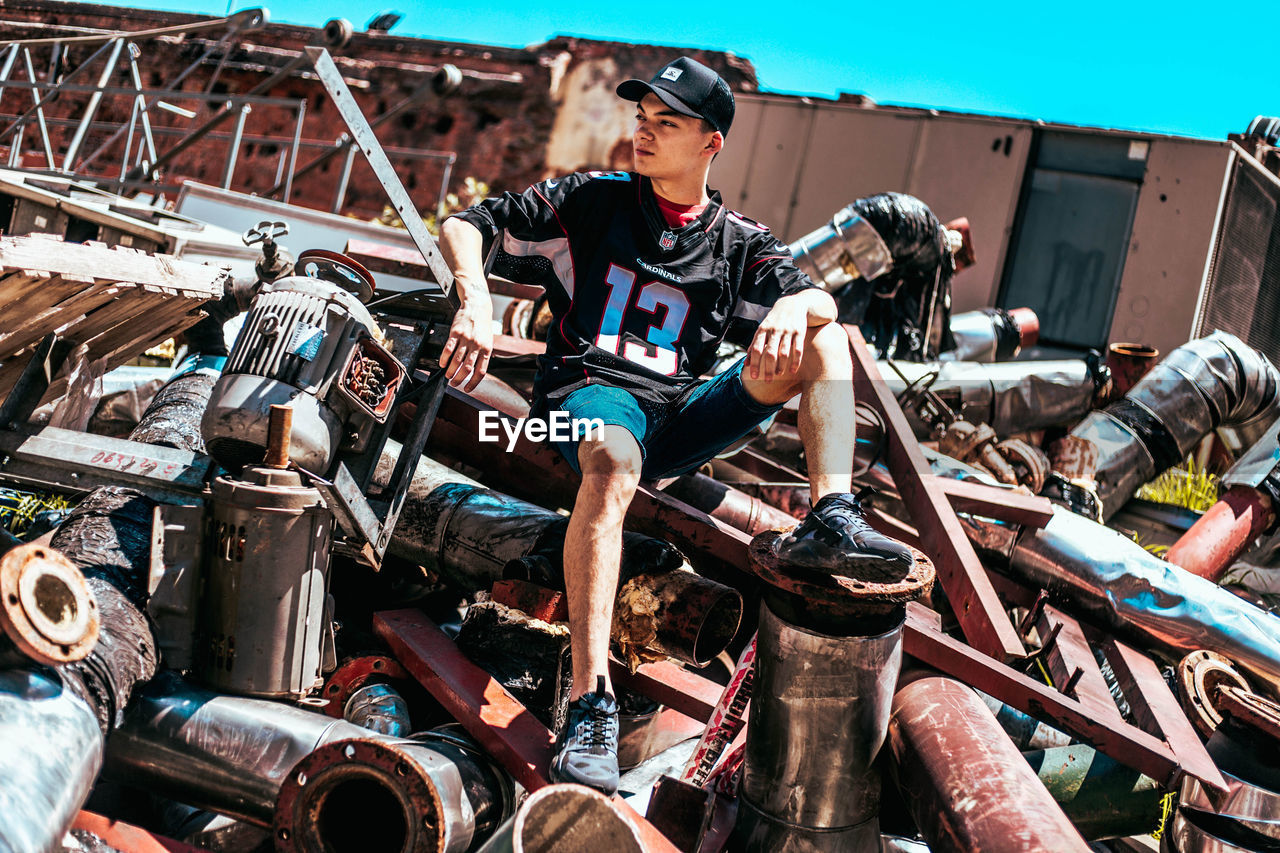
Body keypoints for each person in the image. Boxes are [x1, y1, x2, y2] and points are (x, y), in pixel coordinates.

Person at [437, 56, 913, 795]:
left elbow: (815, 300)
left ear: (710, 143)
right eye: (641, 118)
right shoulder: (594, 200)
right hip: (594, 394)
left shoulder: (737, 241)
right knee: (615, 465)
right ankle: (590, 705)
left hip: (677, 413)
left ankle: (832, 516)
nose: (644, 134)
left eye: (667, 123)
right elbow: (468, 223)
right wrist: (472, 299)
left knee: (825, 333)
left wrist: (799, 304)